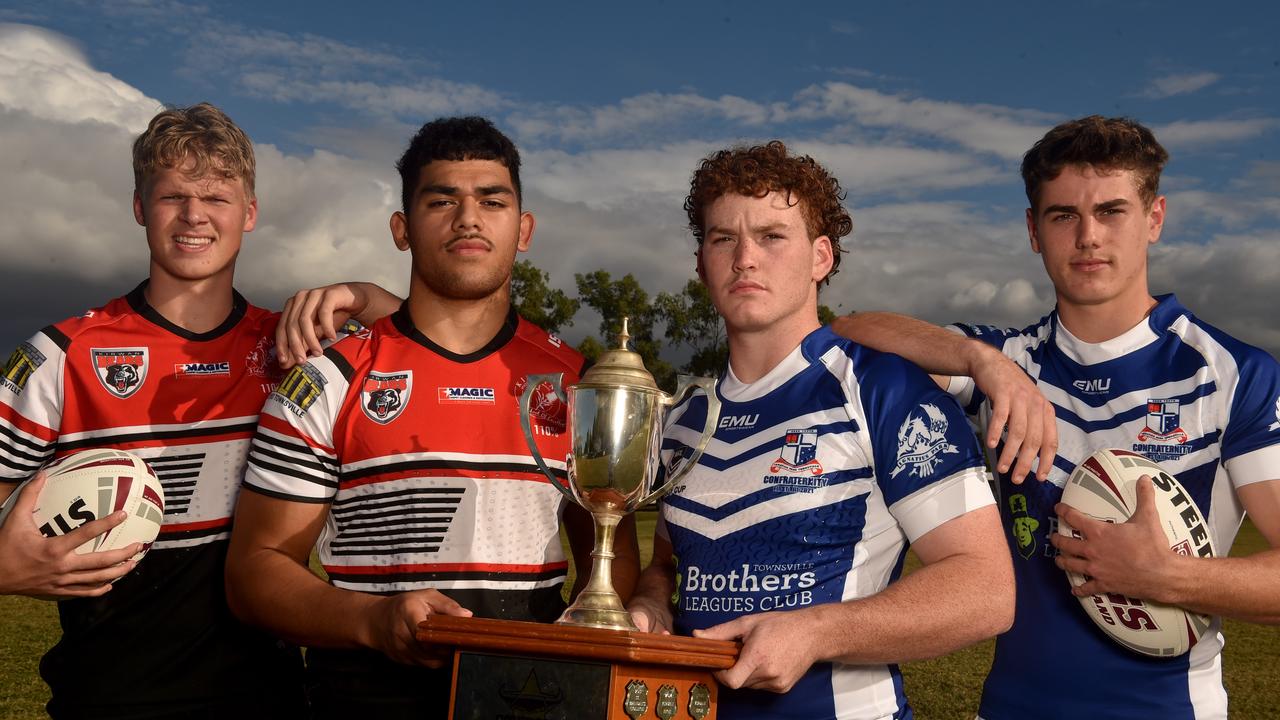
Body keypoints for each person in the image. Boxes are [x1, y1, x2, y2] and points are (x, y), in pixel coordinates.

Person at [831, 115, 1280, 719]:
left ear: (1155, 219)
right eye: (1063, 215)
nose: (1088, 236)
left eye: (1112, 212)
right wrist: (979, 361)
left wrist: (1163, 576)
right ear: (1034, 231)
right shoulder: (1008, 360)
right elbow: (849, 331)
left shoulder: (1230, 373)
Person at [224, 116, 640, 719]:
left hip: (532, 701)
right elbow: (255, 571)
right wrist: (374, 620)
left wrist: (572, 643)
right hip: (365, 702)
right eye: (441, 200)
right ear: (402, 228)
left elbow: (614, 554)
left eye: (491, 201)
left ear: (523, 229)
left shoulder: (577, 386)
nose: (468, 218)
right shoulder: (326, 380)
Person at [0, 103, 389, 718]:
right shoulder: (65, 355)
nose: (194, 216)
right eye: (172, 196)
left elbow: (437, 351)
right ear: (138, 208)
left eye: (216, 197)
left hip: (270, 700)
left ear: (250, 213)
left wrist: (364, 295)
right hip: (106, 700)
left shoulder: (295, 350)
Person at [625, 141, 1014, 720]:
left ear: (820, 258)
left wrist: (816, 632)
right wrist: (650, 602)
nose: (744, 258)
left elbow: (986, 591)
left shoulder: (882, 387)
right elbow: (665, 564)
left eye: (772, 236)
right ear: (701, 261)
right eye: (722, 238)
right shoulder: (682, 419)